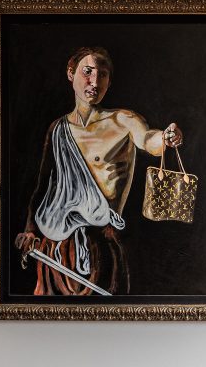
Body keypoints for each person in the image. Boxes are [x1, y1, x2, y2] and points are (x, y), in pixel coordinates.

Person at [14, 46, 183, 295]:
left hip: (101, 243)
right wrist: (29, 230)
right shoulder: (58, 129)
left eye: (102, 74)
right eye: (88, 71)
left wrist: (166, 138)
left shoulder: (123, 120)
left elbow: (148, 140)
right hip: (55, 244)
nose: (94, 81)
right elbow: (43, 185)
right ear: (71, 73)